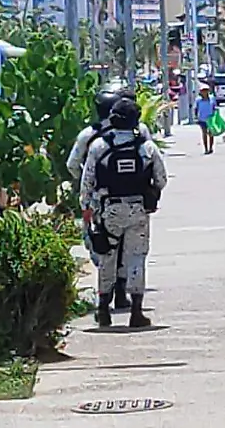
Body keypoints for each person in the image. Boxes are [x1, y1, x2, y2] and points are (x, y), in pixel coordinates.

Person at [82, 98, 168, 328]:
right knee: (136, 258)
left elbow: (87, 181)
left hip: (108, 210)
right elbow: (161, 179)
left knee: (107, 258)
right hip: (138, 209)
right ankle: (136, 311)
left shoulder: (99, 146)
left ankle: (103, 310)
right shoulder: (147, 148)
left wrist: (86, 209)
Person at [68, 85, 152, 310]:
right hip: (134, 201)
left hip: (99, 203)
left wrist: (91, 187)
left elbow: (73, 165)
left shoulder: (89, 135)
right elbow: (151, 162)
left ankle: (105, 298)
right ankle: (122, 292)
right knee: (131, 249)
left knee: (101, 248)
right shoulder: (139, 131)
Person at [194, 85, 217, 154]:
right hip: (202, 119)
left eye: (206, 90)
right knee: (204, 133)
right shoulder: (198, 100)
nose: (204, 92)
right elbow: (196, 109)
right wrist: (196, 117)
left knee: (211, 134)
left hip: (210, 118)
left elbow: (214, 107)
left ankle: (211, 148)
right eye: (203, 91)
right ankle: (206, 149)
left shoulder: (212, 98)